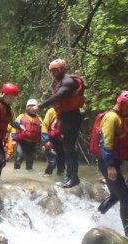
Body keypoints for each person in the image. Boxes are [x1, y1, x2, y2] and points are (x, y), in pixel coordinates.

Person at [89, 90, 128, 244]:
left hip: (111, 162)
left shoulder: (118, 117)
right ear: (123, 104)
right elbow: (106, 143)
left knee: (116, 196)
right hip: (107, 163)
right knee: (126, 199)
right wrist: (110, 166)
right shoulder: (111, 118)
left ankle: (92, 220)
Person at [36, 59, 85, 188]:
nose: (53, 73)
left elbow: (59, 96)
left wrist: (40, 106)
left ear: (62, 69)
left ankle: (74, 177)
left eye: (55, 70)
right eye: (52, 71)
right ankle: (69, 176)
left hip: (72, 117)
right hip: (66, 117)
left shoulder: (68, 81)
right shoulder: (62, 81)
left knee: (69, 148)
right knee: (67, 148)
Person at [12, 98, 42, 170]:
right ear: (27, 107)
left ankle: (29, 176)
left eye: (33, 106)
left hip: (33, 143)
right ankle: (16, 172)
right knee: (19, 157)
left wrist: (44, 142)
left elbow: (43, 131)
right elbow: (14, 127)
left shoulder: (39, 119)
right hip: (22, 142)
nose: (31, 107)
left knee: (30, 162)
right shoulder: (21, 116)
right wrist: (13, 139)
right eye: (30, 106)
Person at [41, 107, 65, 176]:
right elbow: (44, 125)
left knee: (61, 165)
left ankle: (60, 180)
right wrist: (46, 141)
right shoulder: (51, 111)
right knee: (52, 162)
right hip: (51, 140)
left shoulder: (67, 111)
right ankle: (47, 175)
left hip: (62, 141)